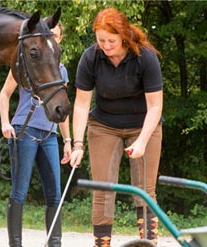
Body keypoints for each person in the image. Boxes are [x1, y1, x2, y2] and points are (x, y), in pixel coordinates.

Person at [70, 8, 163, 247]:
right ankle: (102, 244)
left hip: (143, 124)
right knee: (102, 189)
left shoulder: (145, 57)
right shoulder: (91, 57)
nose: (106, 46)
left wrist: (141, 141)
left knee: (144, 189)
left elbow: (155, 107)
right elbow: (81, 105)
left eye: (111, 41)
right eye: (101, 40)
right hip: (104, 125)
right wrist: (77, 144)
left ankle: (148, 243)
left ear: (123, 36)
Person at [0, 22, 71, 247]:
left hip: (50, 134)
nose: (55, 39)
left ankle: (54, 243)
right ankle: (16, 244)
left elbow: (62, 109)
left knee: (55, 194)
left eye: (58, 36)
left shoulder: (61, 70)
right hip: (25, 129)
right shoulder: (26, 62)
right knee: (19, 191)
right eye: (52, 35)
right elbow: (4, 94)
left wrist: (67, 140)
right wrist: (5, 122)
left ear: (61, 39)